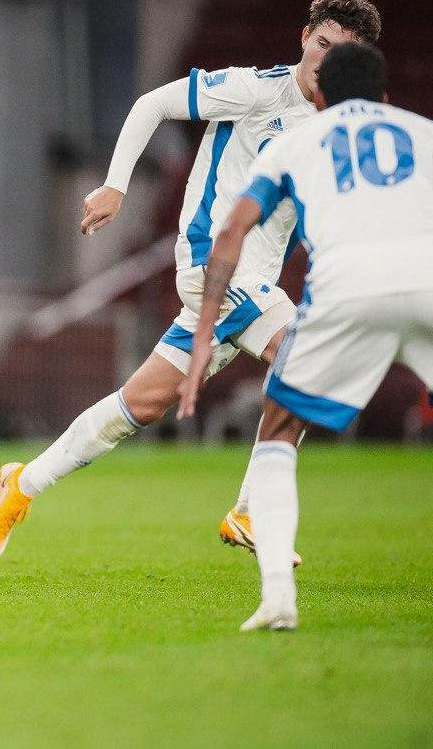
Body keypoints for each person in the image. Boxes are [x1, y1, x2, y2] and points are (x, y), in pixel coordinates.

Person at [0, 0, 382, 562]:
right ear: (304, 37)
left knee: (139, 405)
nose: (325, 58)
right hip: (211, 264)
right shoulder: (256, 91)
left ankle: (24, 483)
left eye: (341, 52)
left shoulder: (336, 131)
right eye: (321, 42)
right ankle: (252, 511)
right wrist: (115, 185)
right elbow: (152, 104)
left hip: (250, 287)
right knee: (303, 355)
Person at [179, 41, 433, 631]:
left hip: (346, 286)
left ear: (318, 97)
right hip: (426, 280)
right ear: (385, 95)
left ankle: (278, 597)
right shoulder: (423, 132)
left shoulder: (296, 142)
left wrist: (202, 340)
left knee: (278, 427)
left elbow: (231, 233)